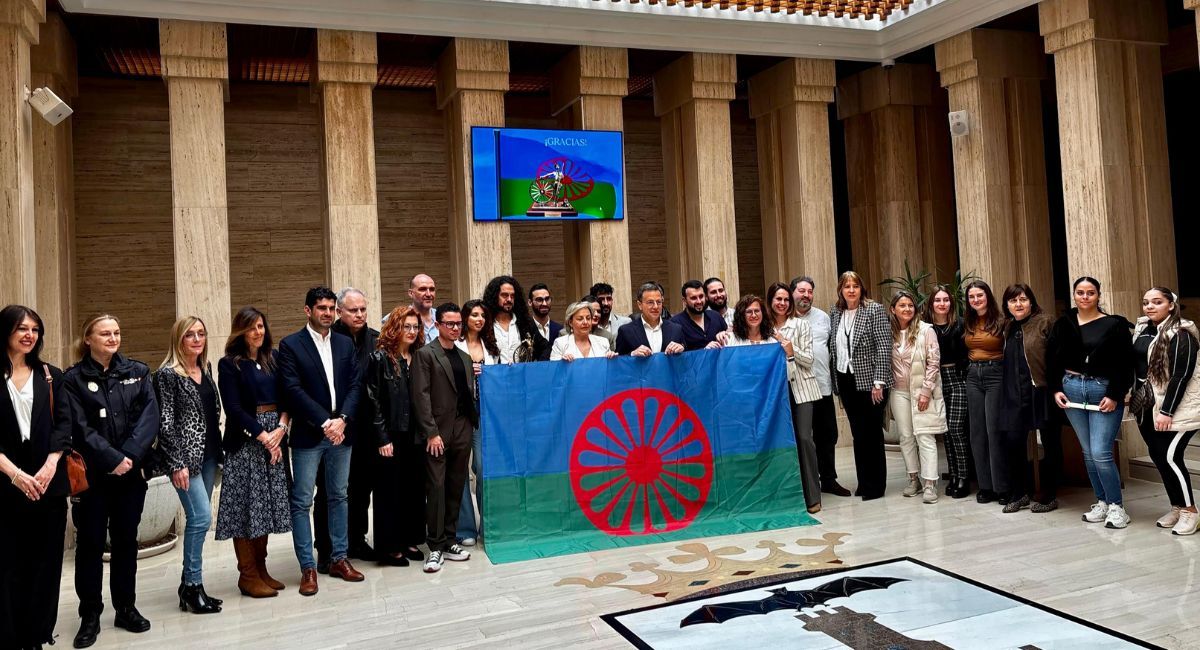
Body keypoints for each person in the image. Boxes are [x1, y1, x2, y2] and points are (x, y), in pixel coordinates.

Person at [63, 314, 158, 648]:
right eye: (105, 333)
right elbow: (78, 428)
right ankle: (90, 614)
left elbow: (149, 418)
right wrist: (112, 459)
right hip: (92, 479)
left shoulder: (137, 372)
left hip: (130, 476)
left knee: (125, 542)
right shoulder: (72, 380)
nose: (112, 337)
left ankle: (125, 607)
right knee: (89, 546)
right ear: (88, 339)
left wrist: (128, 456)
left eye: (117, 332)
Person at [276, 286, 365, 596]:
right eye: (321, 308)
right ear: (308, 310)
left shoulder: (344, 343)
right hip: (309, 435)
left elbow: (356, 385)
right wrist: (325, 421)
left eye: (331, 308)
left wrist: (342, 420)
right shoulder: (290, 345)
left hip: (342, 433)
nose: (328, 313)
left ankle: (339, 559)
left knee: (339, 495)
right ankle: (308, 567)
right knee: (302, 501)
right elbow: (292, 390)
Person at [0, 305, 72, 650]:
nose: (30, 335)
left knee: (45, 564)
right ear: (6, 331)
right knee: (9, 563)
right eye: (22, 329)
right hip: (6, 485)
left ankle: (37, 635)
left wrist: (50, 464)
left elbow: (64, 424)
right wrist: (14, 475)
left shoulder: (50, 375)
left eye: (35, 329)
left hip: (48, 485)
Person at [215, 307, 292, 598]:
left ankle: (261, 569)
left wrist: (281, 430)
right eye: (251, 327)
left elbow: (287, 398)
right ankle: (247, 575)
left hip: (275, 436)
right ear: (240, 331)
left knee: (266, 507)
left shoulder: (272, 360)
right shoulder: (229, 364)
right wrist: (264, 437)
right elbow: (233, 409)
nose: (257, 332)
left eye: (261, 326)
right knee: (248, 508)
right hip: (247, 442)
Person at [1047, 277, 1135, 529]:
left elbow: (1124, 362)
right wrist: (1055, 389)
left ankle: (1117, 507)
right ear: (1073, 295)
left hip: (1103, 390)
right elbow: (1051, 357)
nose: (1085, 297)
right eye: (1080, 292)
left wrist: (1116, 394)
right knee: (1087, 452)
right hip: (1072, 388)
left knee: (1101, 452)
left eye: (1090, 293)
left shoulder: (1114, 324)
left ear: (1098, 295)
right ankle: (1103, 502)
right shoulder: (1063, 323)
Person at [153, 316, 223, 615]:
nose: (197, 339)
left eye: (201, 334)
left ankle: (190, 586)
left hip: (209, 455)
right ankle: (192, 586)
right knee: (200, 519)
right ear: (178, 339)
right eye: (190, 335)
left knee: (199, 521)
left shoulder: (204, 369)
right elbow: (165, 424)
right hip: (186, 461)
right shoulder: (167, 375)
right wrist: (176, 463)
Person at [315, 288, 380, 568]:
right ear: (340, 312)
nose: (360, 314)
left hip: (365, 428)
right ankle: (325, 548)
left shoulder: (376, 339)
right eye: (354, 310)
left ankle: (356, 540)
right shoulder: (329, 339)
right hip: (333, 428)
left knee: (361, 488)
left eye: (363, 309)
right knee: (329, 490)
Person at [411, 303, 476, 573]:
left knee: (455, 485)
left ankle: (450, 540)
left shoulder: (464, 357)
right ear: (437, 325)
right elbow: (420, 396)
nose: (455, 328)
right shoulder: (425, 355)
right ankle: (435, 547)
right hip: (437, 431)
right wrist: (431, 432)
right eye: (449, 323)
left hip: (462, 428)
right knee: (436, 488)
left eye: (458, 324)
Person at [1132, 287, 1199, 535]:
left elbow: (1181, 376)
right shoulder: (1144, 330)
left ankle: (1190, 512)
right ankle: (1177, 506)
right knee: (1159, 456)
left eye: (1157, 302)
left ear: (1171, 305)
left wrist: (1167, 411)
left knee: (1170, 456)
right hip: (1147, 405)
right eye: (1146, 302)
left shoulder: (1182, 334)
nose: (1150, 306)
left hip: (1179, 408)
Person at [365, 306, 428, 564]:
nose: (412, 331)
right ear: (395, 328)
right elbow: (373, 400)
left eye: (415, 327)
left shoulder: (420, 357)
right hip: (390, 434)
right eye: (407, 326)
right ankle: (390, 547)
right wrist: (382, 438)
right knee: (389, 492)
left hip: (416, 435)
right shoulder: (380, 358)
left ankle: (410, 540)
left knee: (413, 490)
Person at [827, 271, 892, 500]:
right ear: (841, 290)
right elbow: (834, 347)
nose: (851, 290)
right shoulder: (835, 312)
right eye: (847, 286)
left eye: (855, 285)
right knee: (858, 434)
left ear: (861, 288)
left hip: (871, 382)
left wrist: (879, 382)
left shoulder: (873, 310)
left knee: (872, 434)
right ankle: (863, 482)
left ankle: (875, 486)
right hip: (845, 379)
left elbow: (884, 346)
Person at [996, 284, 1056, 514]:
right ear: (1007, 305)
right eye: (1013, 301)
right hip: (1013, 393)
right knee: (1013, 442)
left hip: (1041, 391)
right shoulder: (1008, 326)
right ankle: (1019, 493)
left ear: (1031, 301)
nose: (1018, 304)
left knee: (1050, 443)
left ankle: (1049, 494)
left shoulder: (1045, 322)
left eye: (1022, 299)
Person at [765, 284, 823, 513]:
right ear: (770, 301)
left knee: (804, 438)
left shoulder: (801, 324)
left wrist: (791, 350)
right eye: (778, 299)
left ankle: (812, 496)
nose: (782, 303)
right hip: (775, 391)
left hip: (802, 390)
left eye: (786, 299)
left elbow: (809, 360)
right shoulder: (765, 326)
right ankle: (786, 496)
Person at [792, 276, 849, 497]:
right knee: (803, 436)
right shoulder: (783, 318)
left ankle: (828, 479)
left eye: (809, 291)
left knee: (828, 435)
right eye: (801, 291)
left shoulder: (824, 318)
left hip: (822, 385)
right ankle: (805, 481)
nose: (806, 295)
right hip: (797, 388)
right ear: (792, 292)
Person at [888, 291, 945, 504]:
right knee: (906, 436)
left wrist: (926, 391)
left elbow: (934, 362)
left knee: (925, 435)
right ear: (893, 309)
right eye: (902, 305)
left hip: (922, 391)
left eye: (910, 305)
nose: (907, 309)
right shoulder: (889, 332)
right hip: (899, 391)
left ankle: (930, 483)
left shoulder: (926, 331)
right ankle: (913, 479)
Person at [454, 299, 501, 547]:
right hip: (460, 415)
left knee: (483, 469)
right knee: (460, 470)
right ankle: (465, 528)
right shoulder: (454, 345)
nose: (479, 319)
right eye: (474, 315)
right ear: (465, 318)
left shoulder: (492, 348)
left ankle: (489, 524)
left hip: (486, 414)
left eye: (483, 315)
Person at [922, 286, 971, 499]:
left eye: (946, 300)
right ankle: (952, 473)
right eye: (937, 300)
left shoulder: (960, 324)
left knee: (957, 427)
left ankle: (964, 476)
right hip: (936, 379)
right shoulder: (925, 328)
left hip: (957, 378)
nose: (942, 304)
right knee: (945, 430)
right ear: (931, 303)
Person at [963, 280, 1005, 505]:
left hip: (995, 374)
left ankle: (1001, 486)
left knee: (994, 430)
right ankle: (985, 486)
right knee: (977, 432)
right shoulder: (968, 321)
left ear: (987, 296)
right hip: (973, 376)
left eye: (979, 295)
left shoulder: (1001, 321)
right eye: (971, 297)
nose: (976, 300)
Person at [484, 275, 549, 363]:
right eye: (505, 295)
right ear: (495, 296)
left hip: (521, 375)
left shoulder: (525, 322)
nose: (509, 299)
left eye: (512, 296)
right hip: (495, 375)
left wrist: (535, 368)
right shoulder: (485, 323)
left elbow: (545, 347)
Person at [616, 282, 686, 357]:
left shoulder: (676, 329)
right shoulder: (626, 331)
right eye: (650, 302)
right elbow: (619, 362)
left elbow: (687, 358)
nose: (656, 306)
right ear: (640, 305)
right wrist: (632, 354)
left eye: (659, 302)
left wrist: (682, 349)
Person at [670, 280, 726, 351]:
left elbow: (730, 339)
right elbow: (677, 355)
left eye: (701, 296)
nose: (699, 301)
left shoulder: (715, 316)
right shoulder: (675, 323)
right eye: (694, 298)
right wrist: (704, 350)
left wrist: (725, 334)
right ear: (684, 301)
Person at [551, 302, 617, 361]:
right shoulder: (560, 343)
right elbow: (554, 370)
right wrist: (562, 363)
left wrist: (611, 359)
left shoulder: (603, 342)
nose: (585, 322)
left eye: (588, 318)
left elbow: (609, 370)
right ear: (570, 322)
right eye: (580, 319)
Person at [409, 274, 439, 344]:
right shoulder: (397, 319)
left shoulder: (443, 318)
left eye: (432, 289)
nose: (428, 294)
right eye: (422, 289)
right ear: (411, 293)